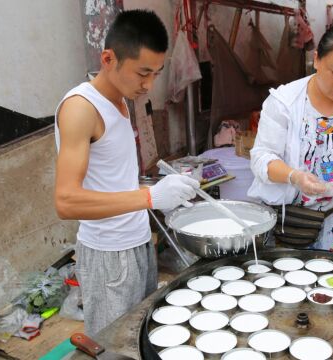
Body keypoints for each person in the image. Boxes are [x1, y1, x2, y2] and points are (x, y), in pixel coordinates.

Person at [53, 10, 200, 335]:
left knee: (139, 337)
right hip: (108, 256)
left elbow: (111, 177)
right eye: (142, 73)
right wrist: (149, 196)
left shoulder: (120, 101)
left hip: (138, 242)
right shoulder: (81, 108)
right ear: (109, 58)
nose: (149, 85)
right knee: (111, 347)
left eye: (156, 74)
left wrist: (164, 189)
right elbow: (66, 201)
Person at [248, 19, 333, 252]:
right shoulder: (285, 103)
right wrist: (294, 177)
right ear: (317, 60)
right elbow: (262, 157)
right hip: (284, 225)